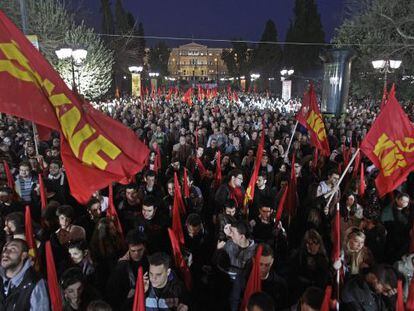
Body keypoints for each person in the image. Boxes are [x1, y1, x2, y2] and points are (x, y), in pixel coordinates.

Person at [0, 239, 49, 310]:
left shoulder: (35, 283)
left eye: (13, 249)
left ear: (23, 255)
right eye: (5, 249)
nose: (5, 253)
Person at [106, 230, 148, 310]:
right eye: (133, 251)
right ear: (128, 248)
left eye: (140, 250)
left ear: (144, 247)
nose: (136, 254)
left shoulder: (148, 261)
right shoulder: (121, 268)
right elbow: (113, 295)